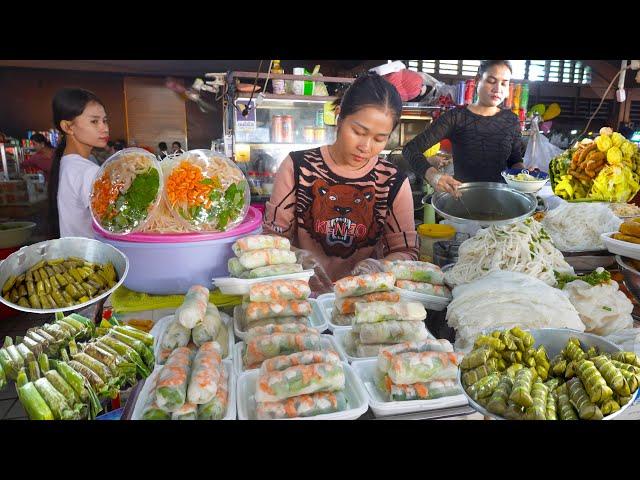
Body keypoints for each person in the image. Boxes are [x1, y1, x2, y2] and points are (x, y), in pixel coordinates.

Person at [263, 72, 419, 282]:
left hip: (362, 301)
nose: (365, 147)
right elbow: (272, 237)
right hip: (299, 295)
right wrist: (296, 257)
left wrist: (379, 266)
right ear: (339, 116)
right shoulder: (298, 167)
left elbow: (406, 252)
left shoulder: (392, 181)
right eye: (358, 131)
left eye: (379, 139)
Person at [402, 60, 525, 195]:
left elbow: (515, 160)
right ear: (478, 80)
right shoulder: (456, 117)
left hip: (503, 199)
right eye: (491, 81)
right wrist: (433, 176)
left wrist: (525, 176)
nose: (498, 89)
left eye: (504, 83)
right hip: (463, 201)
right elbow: (410, 149)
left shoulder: (511, 120)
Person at [49, 88, 109, 239]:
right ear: (68, 127)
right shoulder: (87, 171)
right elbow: (115, 222)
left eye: (105, 120)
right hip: (91, 259)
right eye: (94, 121)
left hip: (75, 257)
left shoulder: (67, 164)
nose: (104, 128)